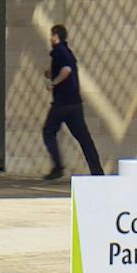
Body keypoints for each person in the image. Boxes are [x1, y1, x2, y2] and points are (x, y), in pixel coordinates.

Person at [41, 21, 105, 180]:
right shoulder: (67, 52)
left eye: (51, 35)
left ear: (56, 36)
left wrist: (54, 82)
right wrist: (51, 73)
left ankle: (58, 167)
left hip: (62, 103)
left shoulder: (59, 51)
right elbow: (65, 67)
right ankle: (97, 172)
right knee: (84, 138)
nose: (50, 38)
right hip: (74, 103)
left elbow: (66, 70)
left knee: (48, 132)